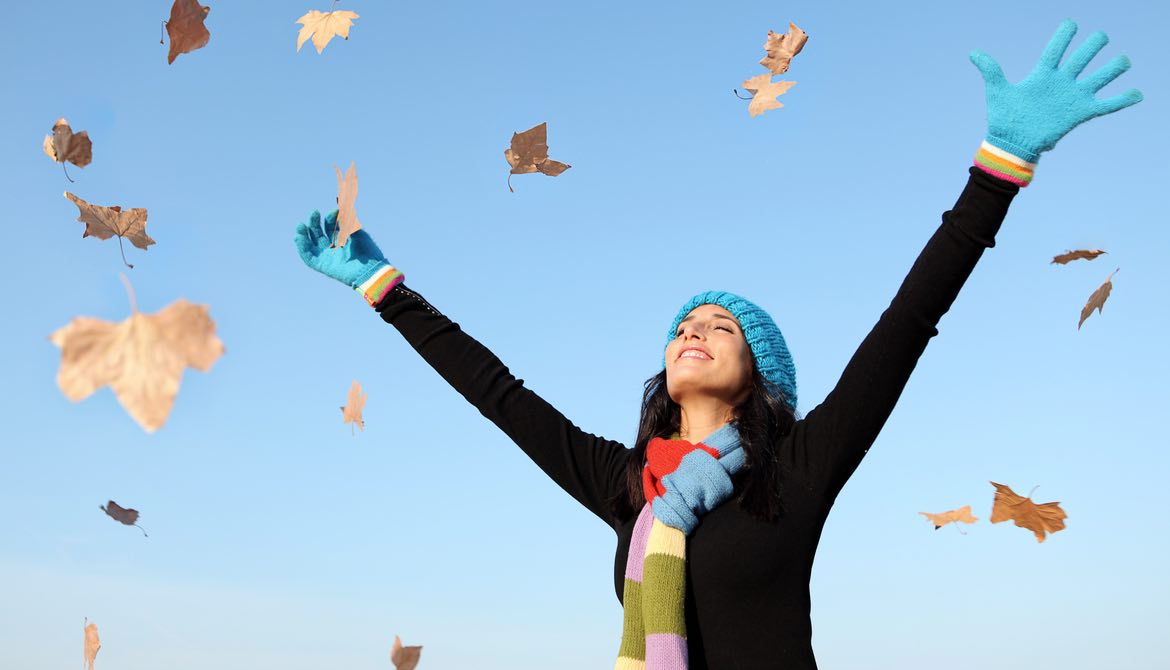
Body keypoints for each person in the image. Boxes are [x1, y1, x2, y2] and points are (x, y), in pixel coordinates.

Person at [294, 20, 1141, 670]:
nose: (692, 330)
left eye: (719, 326)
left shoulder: (798, 469)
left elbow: (908, 322)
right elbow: (497, 393)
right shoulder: (627, 485)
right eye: (683, 325)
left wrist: (999, 167)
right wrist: (386, 290)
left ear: (757, 377)